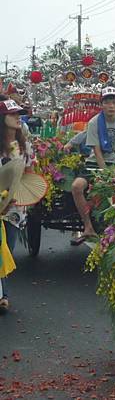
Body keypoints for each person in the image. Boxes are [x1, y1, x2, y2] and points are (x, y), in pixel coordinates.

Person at [71, 87, 115, 240]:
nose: (111, 106)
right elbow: (97, 151)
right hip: (95, 164)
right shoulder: (94, 122)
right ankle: (87, 226)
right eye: (107, 102)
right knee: (76, 186)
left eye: (114, 102)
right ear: (102, 105)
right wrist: (106, 175)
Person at [0, 97, 35, 313]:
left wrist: (17, 195)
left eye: (18, 114)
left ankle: (3, 292)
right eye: (13, 115)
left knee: (7, 251)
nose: (17, 118)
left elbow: (29, 174)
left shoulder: (25, 146)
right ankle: (3, 295)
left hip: (14, 209)